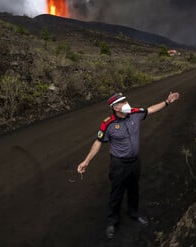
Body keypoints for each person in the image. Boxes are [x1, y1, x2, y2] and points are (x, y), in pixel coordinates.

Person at [77, 91, 180, 239]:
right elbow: (98, 142)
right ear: (116, 108)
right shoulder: (108, 124)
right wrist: (86, 161)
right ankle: (112, 222)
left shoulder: (135, 113)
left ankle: (134, 213)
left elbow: (150, 109)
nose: (127, 104)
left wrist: (167, 102)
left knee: (134, 189)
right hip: (118, 164)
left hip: (134, 162)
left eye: (126, 101)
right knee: (116, 193)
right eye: (123, 102)